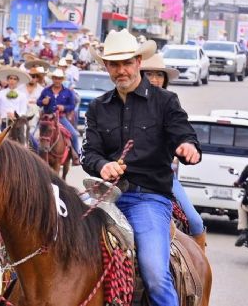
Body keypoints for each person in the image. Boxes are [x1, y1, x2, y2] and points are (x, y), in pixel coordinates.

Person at [81, 29, 201, 306]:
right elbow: (88, 154)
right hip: (103, 196)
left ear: (138, 62)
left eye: (126, 63)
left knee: (155, 274)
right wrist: (103, 165)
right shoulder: (98, 108)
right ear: (107, 67)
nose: (121, 70)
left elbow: (184, 132)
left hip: (147, 198)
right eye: (114, 64)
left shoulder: (165, 101)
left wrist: (187, 146)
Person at [140, 54, 207, 251]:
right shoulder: (125, 104)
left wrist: (187, 145)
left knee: (194, 222)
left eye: (159, 75)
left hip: (163, 177)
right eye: (149, 74)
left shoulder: (170, 104)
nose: (154, 79)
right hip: (126, 178)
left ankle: (200, 272)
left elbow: (183, 130)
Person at [37, 69, 81, 164]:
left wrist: (63, 107)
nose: (57, 80)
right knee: (34, 134)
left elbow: (72, 106)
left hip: (61, 118)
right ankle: (34, 155)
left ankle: (76, 155)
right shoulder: (46, 90)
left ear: (62, 80)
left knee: (73, 134)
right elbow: (38, 102)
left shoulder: (68, 92)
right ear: (52, 78)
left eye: (59, 78)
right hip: (46, 118)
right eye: (55, 78)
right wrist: (43, 102)